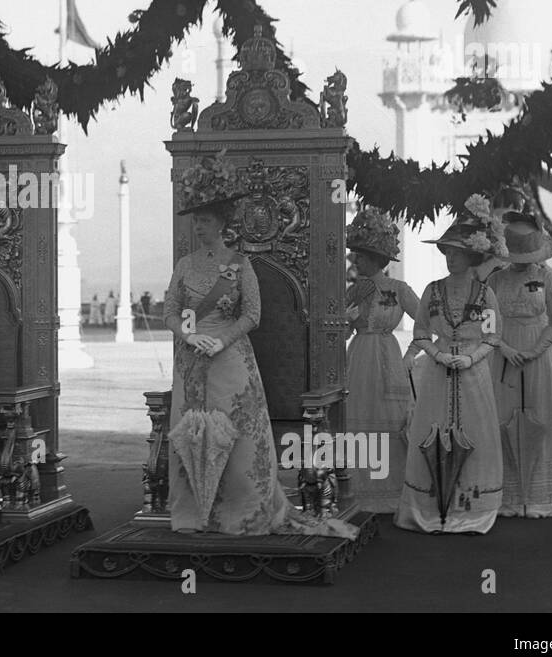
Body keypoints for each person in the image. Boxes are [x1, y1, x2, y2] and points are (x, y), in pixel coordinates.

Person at [162, 184, 355, 538]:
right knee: (190, 434)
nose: (199, 227)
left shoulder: (241, 264)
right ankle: (193, 513)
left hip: (230, 360)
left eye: (205, 220)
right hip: (190, 363)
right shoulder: (185, 265)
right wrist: (189, 336)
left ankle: (242, 513)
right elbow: (171, 312)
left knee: (237, 438)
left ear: (222, 224)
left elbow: (252, 315)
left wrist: (220, 340)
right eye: (197, 221)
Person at [396, 196, 505, 534]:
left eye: (458, 253)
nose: (451, 259)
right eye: (448, 252)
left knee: (476, 434)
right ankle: (429, 506)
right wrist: (438, 354)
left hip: (474, 374)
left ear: (471, 256)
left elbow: (492, 336)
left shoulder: (485, 294)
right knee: (431, 430)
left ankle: (471, 508)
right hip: (438, 373)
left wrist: (470, 357)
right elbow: (421, 332)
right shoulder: (432, 290)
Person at [487, 212, 552, 518]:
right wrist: (505, 348)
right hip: (504, 352)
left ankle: (540, 494)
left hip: (539, 353)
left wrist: (536, 350)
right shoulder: (495, 280)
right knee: (502, 416)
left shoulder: (549, 278)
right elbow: (486, 323)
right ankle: (508, 494)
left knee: (541, 416)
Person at [342, 208, 419, 514]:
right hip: (359, 357)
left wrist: (413, 352)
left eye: (360, 256)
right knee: (359, 415)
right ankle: (359, 489)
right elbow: (341, 333)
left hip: (388, 356)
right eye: (355, 255)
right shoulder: (352, 290)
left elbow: (426, 322)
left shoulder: (398, 290)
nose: (355, 261)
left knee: (390, 421)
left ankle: (392, 490)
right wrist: (348, 313)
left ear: (376, 259)